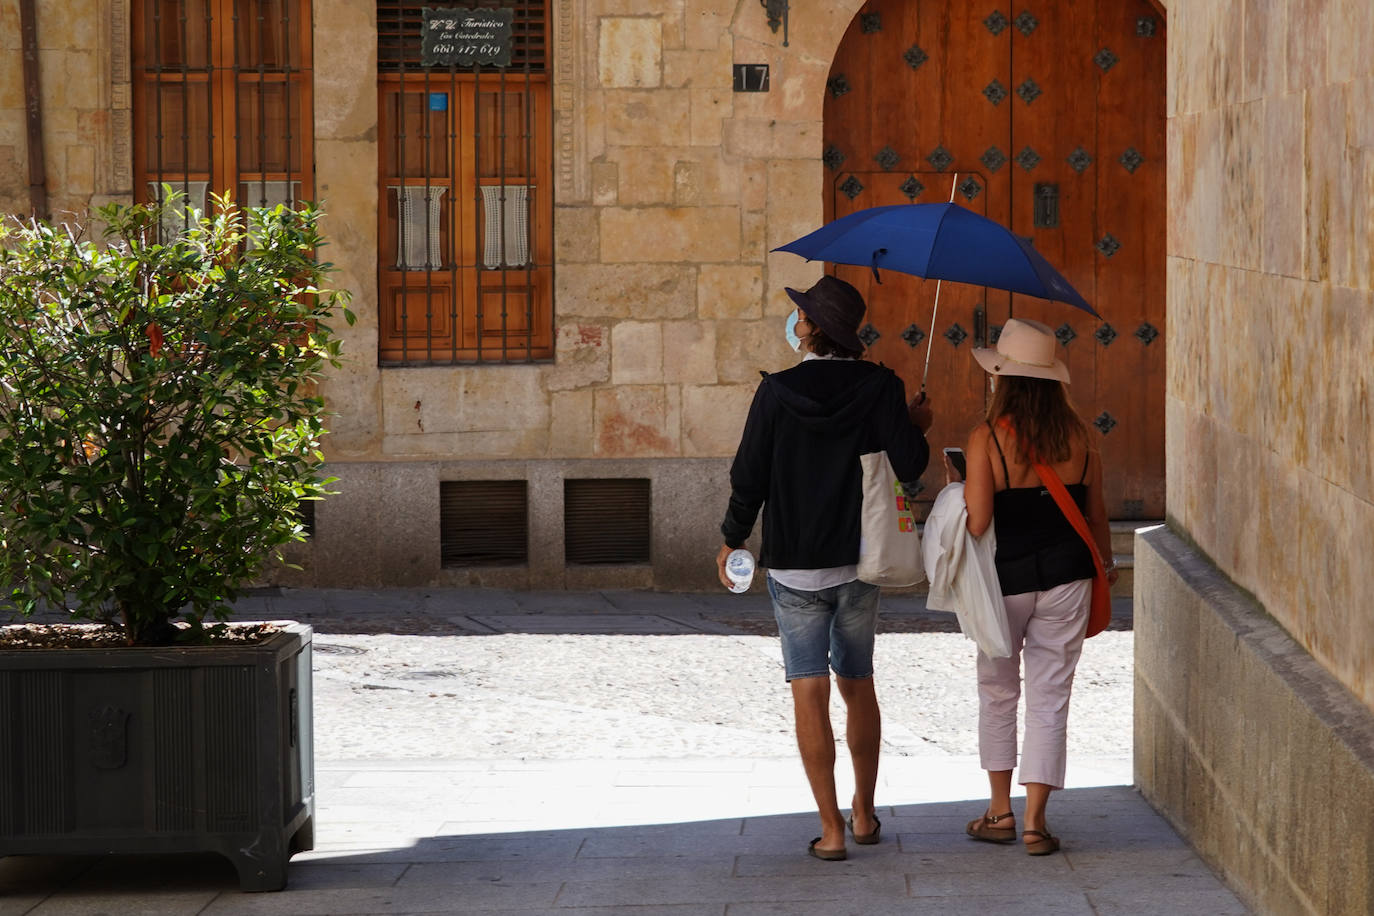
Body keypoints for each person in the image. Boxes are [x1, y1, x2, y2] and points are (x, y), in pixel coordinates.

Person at [715, 275, 932, 861]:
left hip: (793, 564)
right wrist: (918, 422)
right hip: (859, 562)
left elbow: (748, 477)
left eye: (802, 315)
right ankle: (864, 814)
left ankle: (831, 830)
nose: (798, 322)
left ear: (811, 330)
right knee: (857, 683)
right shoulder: (881, 387)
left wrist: (732, 537)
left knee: (807, 689)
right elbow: (911, 466)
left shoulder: (776, 392)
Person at [951, 317, 1117, 856]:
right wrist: (1107, 567)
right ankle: (1035, 823)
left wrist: (958, 487)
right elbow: (1094, 516)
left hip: (1005, 579)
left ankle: (999, 811)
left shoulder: (986, 438)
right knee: (1050, 697)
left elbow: (977, 523)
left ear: (1004, 378)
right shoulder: (1081, 436)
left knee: (998, 691)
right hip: (1068, 577)